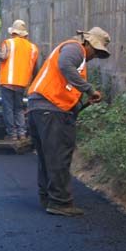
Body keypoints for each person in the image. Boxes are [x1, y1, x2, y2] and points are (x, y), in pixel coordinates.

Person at [27, 27, 111, 217]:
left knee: (47, 158)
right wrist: (89, 89)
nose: (93, 56)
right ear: (87, 43)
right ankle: (60, 202)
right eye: (95, 51)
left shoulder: (70, 50)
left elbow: (63, 84)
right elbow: (65, 66)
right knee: (58, 156)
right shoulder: (75, 49)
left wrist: (81, 101)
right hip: (51, 109)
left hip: (40, 108)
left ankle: (48, 198)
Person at [0, 20, 39, 140]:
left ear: (13, 33)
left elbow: (3, 56)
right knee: (19, 108)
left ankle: (12, 134)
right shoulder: (33, 48)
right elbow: (35, 69)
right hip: (22, 84)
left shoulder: (9, 43)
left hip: (8, 82)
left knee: (8, 109)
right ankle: (22, 133)